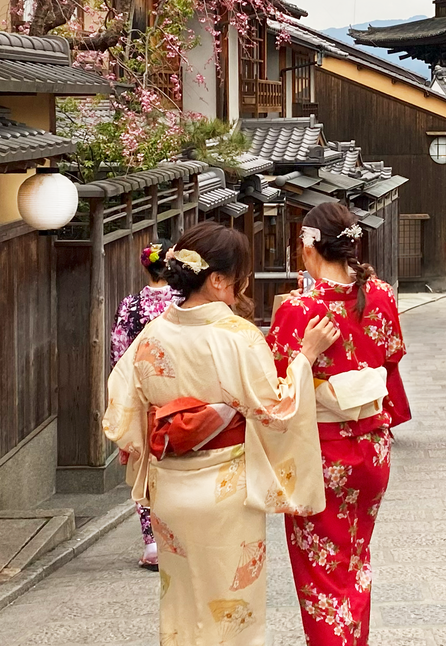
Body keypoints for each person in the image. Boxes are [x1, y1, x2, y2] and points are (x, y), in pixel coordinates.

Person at [103, 221, 338, 645]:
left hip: (171, 491)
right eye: (237, 280)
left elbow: (122, 408)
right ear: (216, 280)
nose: (239, 289)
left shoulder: (152, 335)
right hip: (224, 491)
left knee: (182, 605)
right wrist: (304, 357)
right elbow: (278, 411)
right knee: (233, 611)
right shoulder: (238, 337)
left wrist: (163, 434)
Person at [267, 201, 410, 646]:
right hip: (372, 451)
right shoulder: (381, 295)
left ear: (309, 248)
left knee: (321, 573)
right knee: (354, 560)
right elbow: (388, 361)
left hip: (323, 454)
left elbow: (278, 387)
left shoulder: (297, 308)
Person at [110, 241, 180, 569]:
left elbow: (119, 349)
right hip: (181, 392)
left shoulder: (132, 304)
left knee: (144, 466)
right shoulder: (183, 301)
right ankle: (177, 537)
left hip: (143, 394)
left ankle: (151, 543)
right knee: (178, 462)